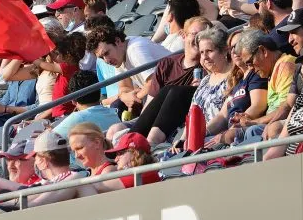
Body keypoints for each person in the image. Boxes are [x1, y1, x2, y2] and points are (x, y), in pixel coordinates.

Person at [122, 16, 212, 146]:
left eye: (203, 36)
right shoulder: (167, 63)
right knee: (114, 129)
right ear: (183, 35)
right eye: (195, 34)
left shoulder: (208, 65)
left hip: (184, 120)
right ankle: (131, 142)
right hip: (157, 118)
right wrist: (140, 125)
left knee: (174, 91)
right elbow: (151, 102)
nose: (198, 39)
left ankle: (149, 143)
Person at [219, 30, 296, 145]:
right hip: (270, 126)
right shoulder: (272, 70)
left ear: (263, 51)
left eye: (250, 62)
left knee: (252, 131)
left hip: (281, 128)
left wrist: (255, 122)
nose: (251, 69)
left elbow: (286, 108)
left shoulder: (285, 66)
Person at [87, 17, 172, 110]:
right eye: (101, 57)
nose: (106, 60)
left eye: (106, 53)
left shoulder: (135, 50)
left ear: (117, 41)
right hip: (164, 94)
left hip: (174, 90)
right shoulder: (119, 55)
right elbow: (124, 86)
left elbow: (155, 82)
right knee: (119, 104)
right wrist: (125, 97)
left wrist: (133, 97)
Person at [52, 70, 121, 139]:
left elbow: (49, 139)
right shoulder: (114, 114)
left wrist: (48, 130)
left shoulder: (77, 117)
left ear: (73, 100)